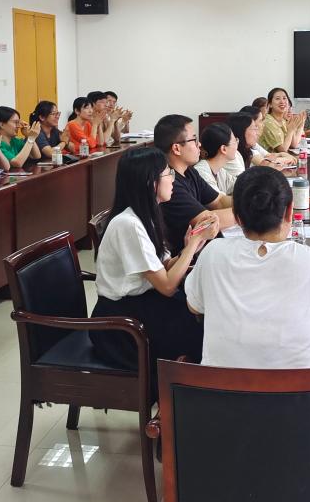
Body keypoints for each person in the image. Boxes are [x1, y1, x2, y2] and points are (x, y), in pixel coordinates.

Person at [185, 166, 310, 368]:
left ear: (237, 217)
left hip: (220, 388)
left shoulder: (212, 253)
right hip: (303, 389)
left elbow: (194, 305)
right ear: (290, 211)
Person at [90, 147, 216, 371]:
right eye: (168, 173)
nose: (173, 179)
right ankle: (182, 387)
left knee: (202, 314)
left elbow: (163, 266)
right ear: (151, 182)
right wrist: (193, 245)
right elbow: (166, 286)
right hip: (121, 323)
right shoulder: (128, 224)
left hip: (142, 302)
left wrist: (188, 247)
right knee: (197, 328)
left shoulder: (146, 214)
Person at [155, 114, 235, 255]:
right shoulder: (169, 183)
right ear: (177, 148)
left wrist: (250, 201)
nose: (199, 145)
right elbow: (208, 222)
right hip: (183, 259)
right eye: (194, 140)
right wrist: (254, 210)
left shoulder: (189, 172)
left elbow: (219, 201)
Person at [227, 110, 296, 175]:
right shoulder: (233, 154)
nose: (257, 132)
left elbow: (269, 160)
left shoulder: (248, 149)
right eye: (254, 128)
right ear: (241, 131)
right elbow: (267, 166)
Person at [193, 122, 240, 194]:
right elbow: (219, 199)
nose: (237, 144)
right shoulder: (201, 172)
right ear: (223, 149)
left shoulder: (220, 171)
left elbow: (238, 185)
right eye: (235, 141)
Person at [259, 87, 306, 153]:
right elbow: (283, 150)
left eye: (284, 98)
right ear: (270, 104)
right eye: (277, 99)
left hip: (282, 158)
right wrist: (291, 130)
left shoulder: (283, 120)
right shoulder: (268, 122)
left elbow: (293, 145)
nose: (282, 102)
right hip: (268, 159)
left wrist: (301, 123)